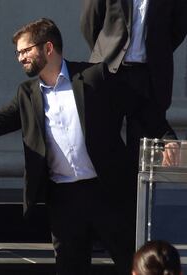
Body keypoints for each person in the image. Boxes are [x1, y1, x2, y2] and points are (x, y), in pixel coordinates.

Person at [0, 18, 142, 275]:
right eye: (18, 53)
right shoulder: (27, 94)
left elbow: (138, 105)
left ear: (48, 48)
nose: (20, 57)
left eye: (26, 50)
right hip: (64, 199)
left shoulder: (93, 77)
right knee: (70, 268)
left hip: (107, 192)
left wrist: (164, 137)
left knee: (133, 265)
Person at [80, 0, 186, 231]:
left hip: (148, 75)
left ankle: (133, 226)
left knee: (141, 155)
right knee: (102, 148)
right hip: (109, 72)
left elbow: (178, 28)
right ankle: (101, 226)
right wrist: (107, 52)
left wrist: (155, 52)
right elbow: (90, 22)